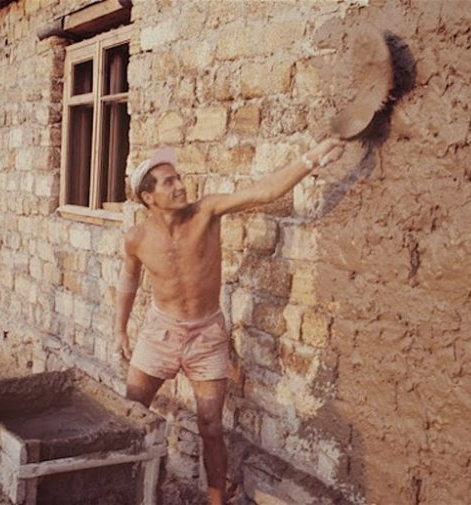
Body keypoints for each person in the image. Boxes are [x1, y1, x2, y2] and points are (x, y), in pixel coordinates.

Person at [114, 139, 345, 504]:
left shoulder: (206, 212)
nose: (181, 186)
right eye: (169, 182)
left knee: (211, 426)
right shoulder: (137, 238)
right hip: (160, 334)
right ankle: (124, 491)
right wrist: (120, 329)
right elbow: (128, 281)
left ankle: (216, 501)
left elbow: (264, 192)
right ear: (148, 197)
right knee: (131, 413)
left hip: (206, 335)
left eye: (179, 178)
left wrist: (313, 157)